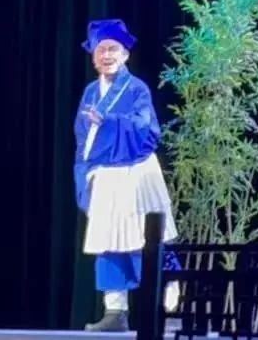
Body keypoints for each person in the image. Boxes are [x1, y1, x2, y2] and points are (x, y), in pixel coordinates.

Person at [74, 19, 178, 331]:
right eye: (101, 50)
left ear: (125, 55)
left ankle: (168, 303)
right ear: (93, 56)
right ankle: (115, 311)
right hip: (105, 175)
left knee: (146, 240)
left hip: (136, 172)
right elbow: (82, 137)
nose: (106, 55)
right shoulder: (91, 92)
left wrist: (110, 122)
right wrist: (85, 172)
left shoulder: (136, 89)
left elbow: (147, 129)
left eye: (113, 49)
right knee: (108, 243)